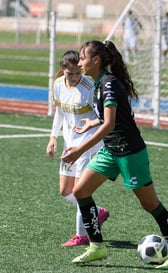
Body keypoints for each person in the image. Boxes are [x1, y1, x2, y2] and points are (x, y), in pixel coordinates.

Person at [61, 40, 168, 269]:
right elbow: (108, 118)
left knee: (150, 205)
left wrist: (79, 150)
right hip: (111, 150)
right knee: (81, 191)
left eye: (82, 58)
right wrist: (91, 122)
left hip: (130, 153)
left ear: (96, 60)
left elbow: (110, 124)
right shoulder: (99, 84)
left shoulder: (108, 84)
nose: (80, 62)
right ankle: (97, 247)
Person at [46, 50, 109, 247]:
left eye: (77, 74)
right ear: (62, 70)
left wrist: (92, 131)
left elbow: (103, 116)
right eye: (69, 74)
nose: (73, 78)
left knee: (80, 190)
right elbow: (60, 112)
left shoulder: (89, 86)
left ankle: (81, 235)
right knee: (65, 191)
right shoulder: (58, 85)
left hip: (88, 143)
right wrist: (53, 137)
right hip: (70, 143)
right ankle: (97, 212)